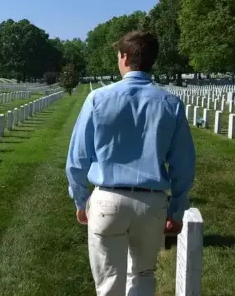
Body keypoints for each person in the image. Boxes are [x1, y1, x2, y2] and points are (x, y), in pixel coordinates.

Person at [65, 30, 196, 296]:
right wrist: (177, 209)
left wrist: (80, 201)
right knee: (143, 275)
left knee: (109, 283)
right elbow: (183, 163)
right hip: (151, 203)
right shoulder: (170, 103)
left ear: (124, 57)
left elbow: (78, 158)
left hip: (108, 200)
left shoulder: (98, 99)